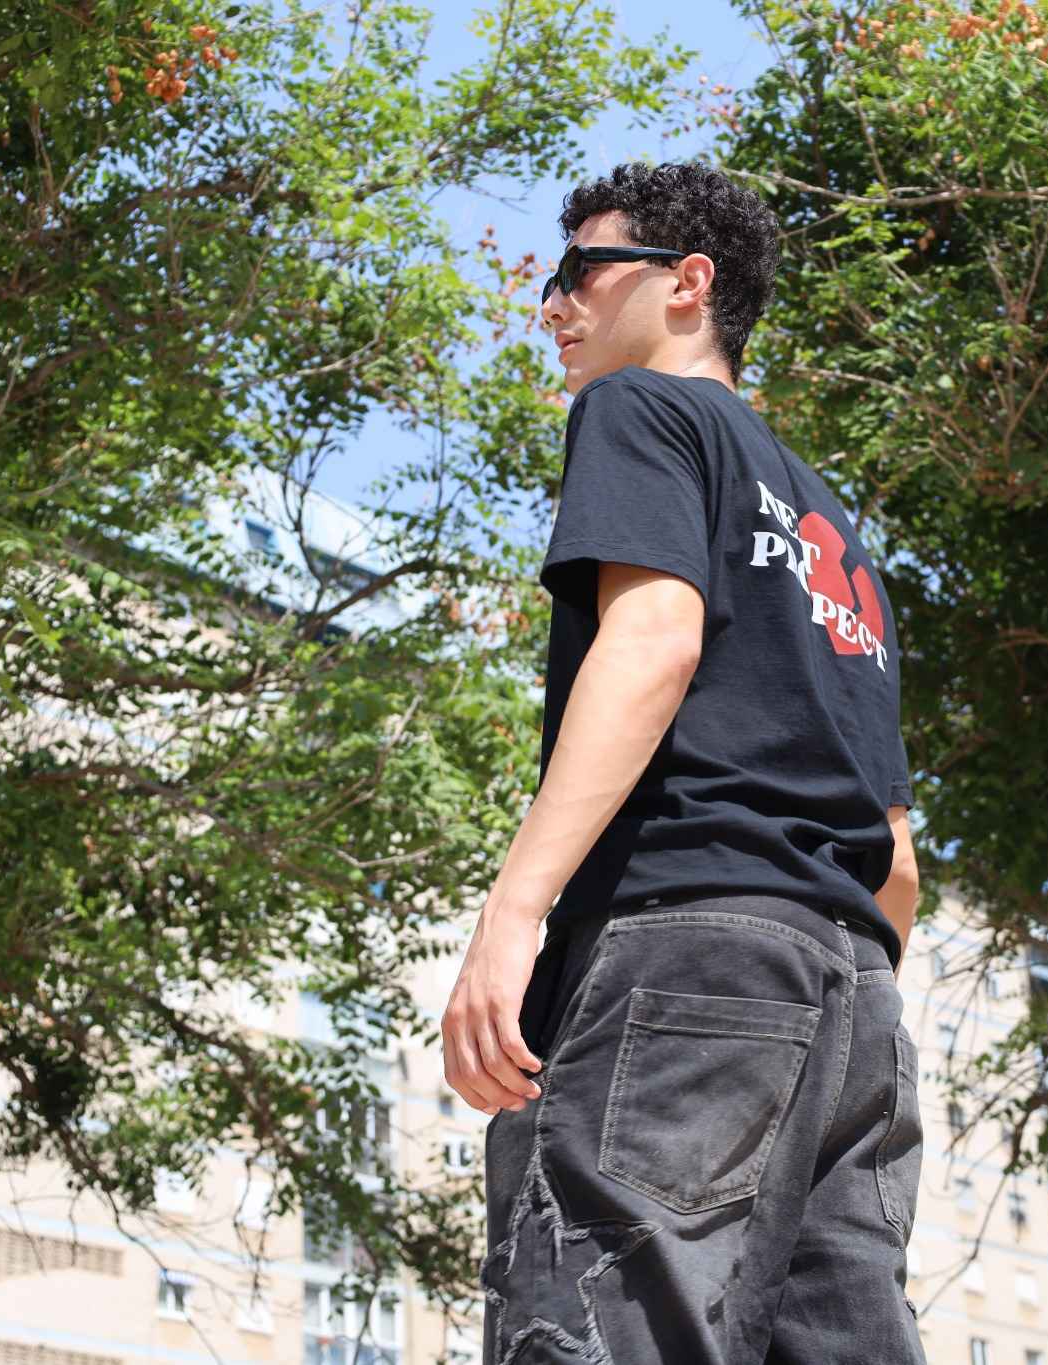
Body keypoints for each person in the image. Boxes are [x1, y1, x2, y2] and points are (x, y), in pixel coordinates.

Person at [438, 160, 927, 1365]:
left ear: (686, 284)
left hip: (684, 956)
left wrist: (512, 914)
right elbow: (898, 861)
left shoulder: (641, 411)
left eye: (580, 271)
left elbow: (653, 639)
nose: (552, 305)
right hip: (854, 1005)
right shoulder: (836, 538)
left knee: (599, 1333)